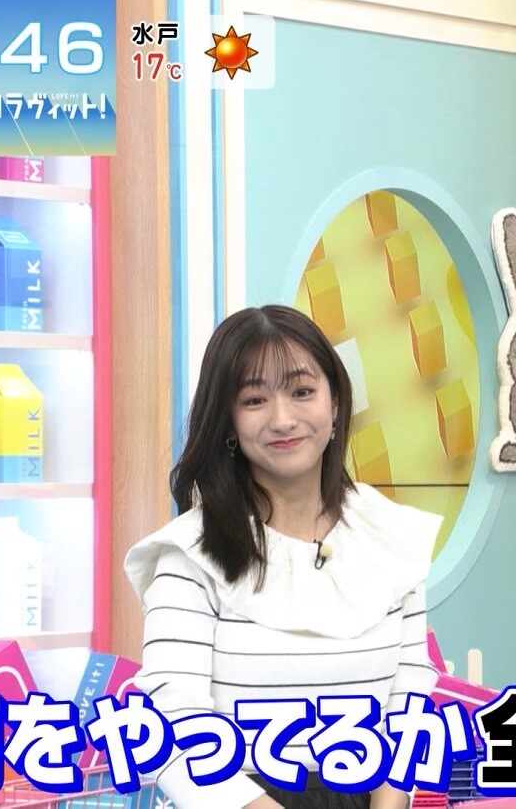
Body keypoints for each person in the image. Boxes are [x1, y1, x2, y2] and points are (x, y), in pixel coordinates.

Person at [124, 304, 443, 809]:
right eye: (254, 399)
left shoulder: (390, 536)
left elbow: (409, 703)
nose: (282, 419)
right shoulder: (189, 556)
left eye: (302, 391)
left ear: (335, 403)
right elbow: (173, 729)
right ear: (228, 420)